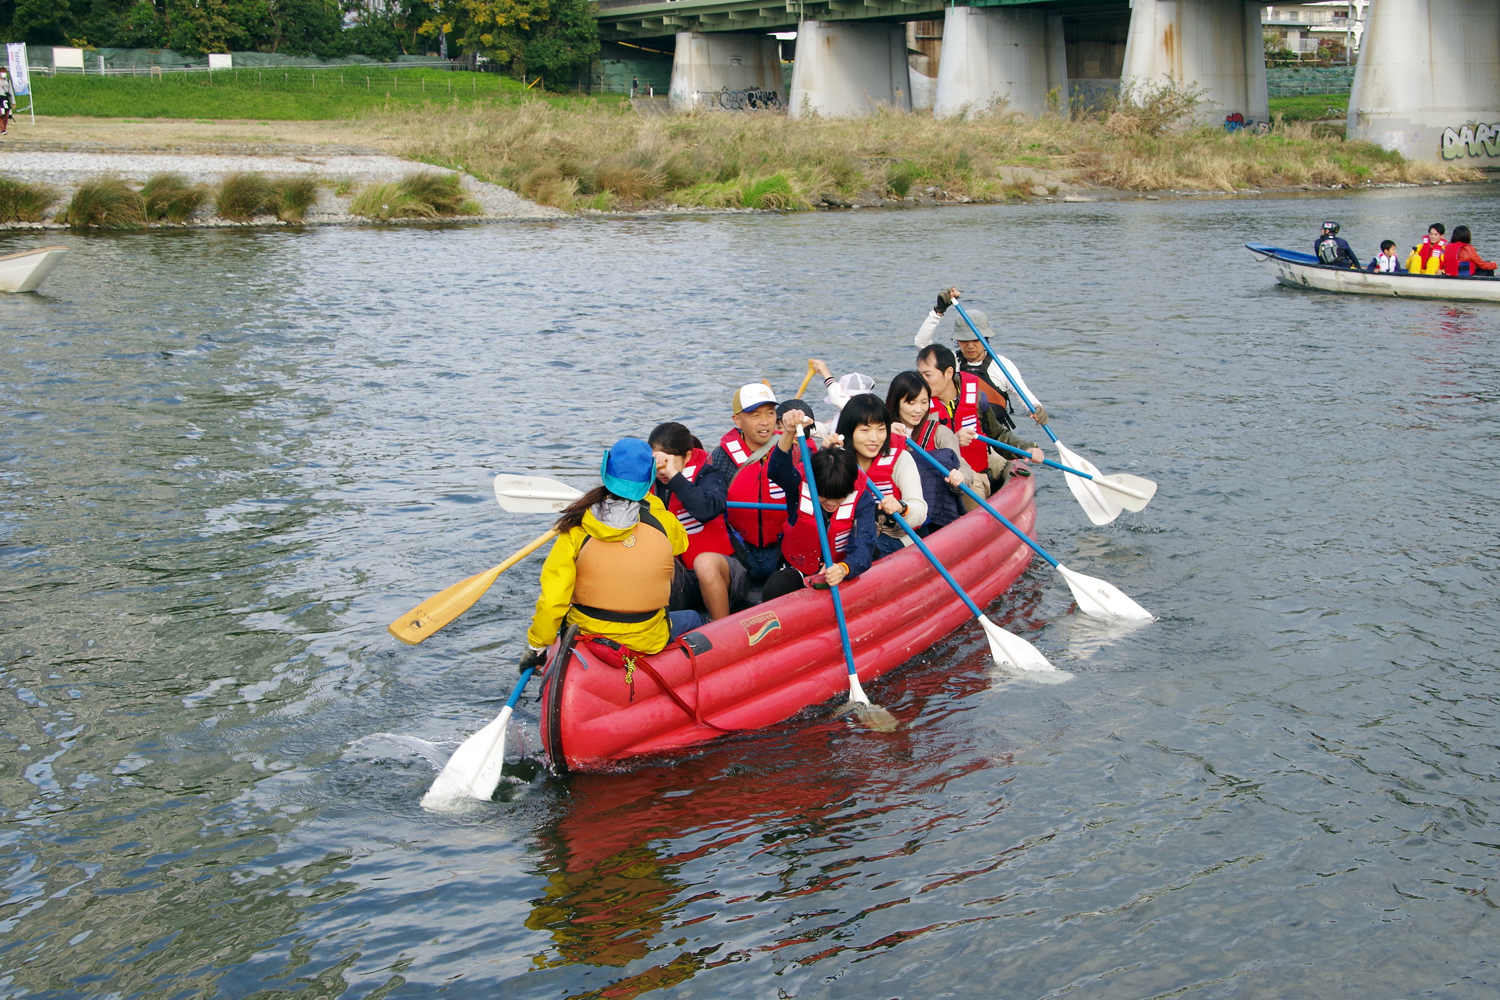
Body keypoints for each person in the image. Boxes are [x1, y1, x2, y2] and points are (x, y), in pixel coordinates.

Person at [521, 439, 699, 673]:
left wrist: (537, 645)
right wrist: (652, 506)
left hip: (588, 637)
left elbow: (554, 600)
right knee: (694, 618)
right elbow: (680, 544)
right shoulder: (662, 520)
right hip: (648, 640)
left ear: (605, 470)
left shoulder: (577, 527)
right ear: (650, 476)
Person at [760, 409, 878, 603]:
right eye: (824, 497)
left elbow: (864, 546)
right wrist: (788, 432)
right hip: (800, 566)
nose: (831, 503)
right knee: (776, 585)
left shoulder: (862, 498)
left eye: (839, 498)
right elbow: (776, 470)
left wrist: (843, 568)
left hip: (841, 568)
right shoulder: (799, 483)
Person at [916, 342, 1043, 500]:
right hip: (936, 479)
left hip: (974, 474)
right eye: (919, 374)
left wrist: (1027, 449)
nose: (920, 381)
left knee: (981, 478)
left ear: (948, 373)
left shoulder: (976, 398)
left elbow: (998, 435)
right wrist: (952, 441)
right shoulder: (917, 405)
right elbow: (913, 449)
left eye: (927, 375)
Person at [648, 421, 747, 621]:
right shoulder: (647, 485)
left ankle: (722, 628)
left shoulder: (708, 474)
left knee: (705, 563)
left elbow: (707, 509)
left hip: (722, 573)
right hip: (681, 581)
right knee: (655, 559)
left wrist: (675, 477)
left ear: (688, 456)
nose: (661, 470)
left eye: (669, 461)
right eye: (658, 463)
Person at [914, 286, 1050, 429]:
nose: (970, 346)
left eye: (976, 340)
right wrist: (938, 311)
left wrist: (1036, 408)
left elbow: (1023, 394)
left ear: (985, 338)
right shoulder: (950, 361)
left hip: (994, 437)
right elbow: (921, 343)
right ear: (957, 340)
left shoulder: (1002, 365)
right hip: (956, 434)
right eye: (964, 341)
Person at [832, 393, 927, 557]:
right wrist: (825, 456)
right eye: (865, 430)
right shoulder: (838, 461)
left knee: (868, 548)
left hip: (895, 540)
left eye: (881, 430)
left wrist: (901, 508)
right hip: (847, 539)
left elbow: (920, 510)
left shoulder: (901, 460)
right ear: (848, 431)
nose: (874, 438)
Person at [709, 382, 786, 585]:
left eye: (770, 414)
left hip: (783, 551)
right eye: (755, 415)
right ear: (737, 420)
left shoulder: (794, 451)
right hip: (739, 552)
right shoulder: (720, 457)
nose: (765, 422)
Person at [886, 370, 968, 533]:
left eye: (924, 402)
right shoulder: (879, 432)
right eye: (911, 403)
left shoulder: (940, 433)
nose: (918, 410)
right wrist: (885, 433)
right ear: (896, 403)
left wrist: (959, 477)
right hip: (889, 513)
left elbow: (964, 468)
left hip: (932, 516)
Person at [0, 67, 12, 136]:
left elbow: (10, 92)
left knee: (6, 115)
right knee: (1, 114)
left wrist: (13, 102)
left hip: (6, 99)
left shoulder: (8, 81)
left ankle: (4, 127)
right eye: (2, 72)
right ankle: (2, 129)